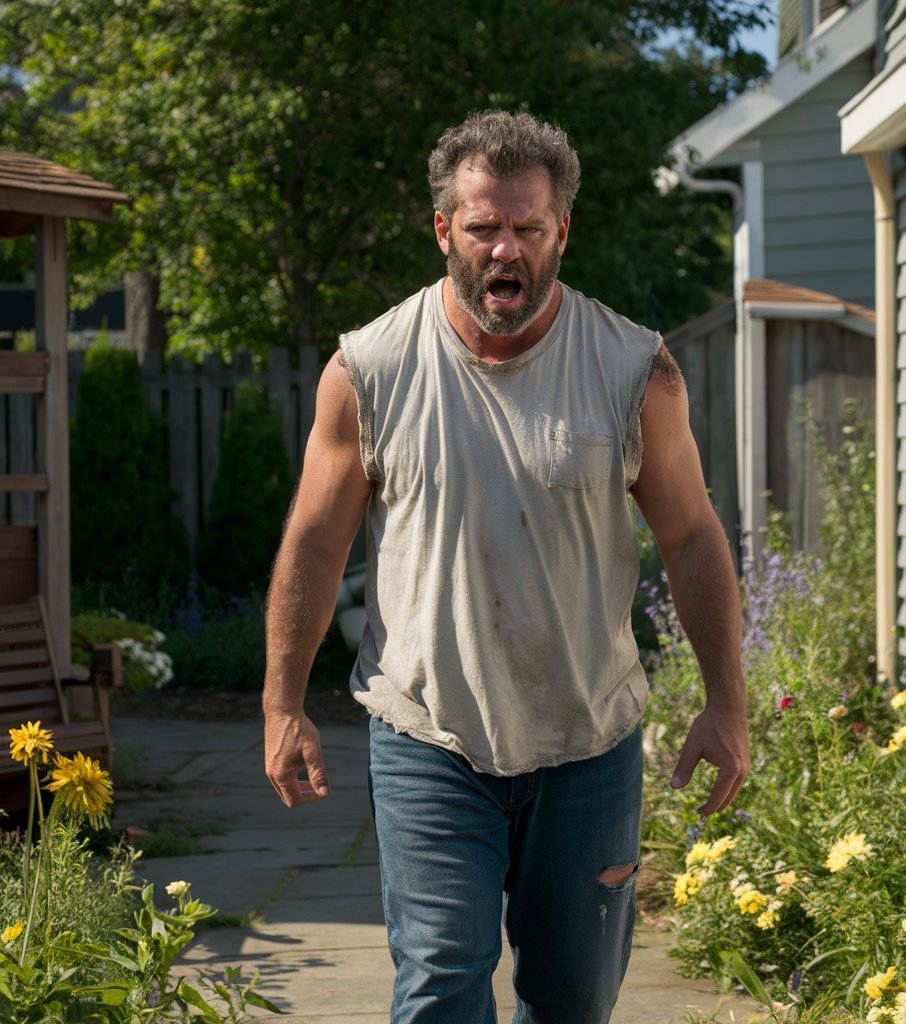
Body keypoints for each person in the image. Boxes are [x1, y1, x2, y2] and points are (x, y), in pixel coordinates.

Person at [263, 109, 749, 1024]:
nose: (505, 249)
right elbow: (316, 544)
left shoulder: (632, 369)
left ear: (561, 231)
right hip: (428, 734)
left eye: (528, 227)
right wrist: (281, 704)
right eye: (484, 227)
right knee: (441, 986)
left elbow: (690, 537)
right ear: (444, 228)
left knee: (572, 1000)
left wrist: (728, 703)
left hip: (588, 741)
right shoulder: (369, 368)